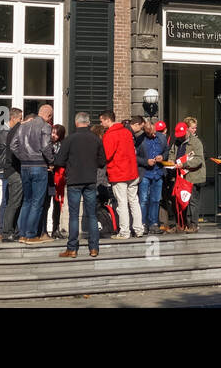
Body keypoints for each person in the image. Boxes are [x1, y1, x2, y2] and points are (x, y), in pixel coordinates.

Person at [55, 111, 107, 258]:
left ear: (76, 122)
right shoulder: (96, 139)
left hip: (74, 181)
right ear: (88, 122)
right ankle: (94, 248)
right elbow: (103, 162)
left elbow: (59, 161)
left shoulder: (70, 139)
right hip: (90, 180)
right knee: (92, 215)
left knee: (73, 215)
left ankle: (72, 248)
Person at [14, 104, 55, 243]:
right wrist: (51, 161)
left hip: (25, 166)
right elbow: (45, 146)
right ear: (49, 116)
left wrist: (23, 157)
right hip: (39, 166)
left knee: (27, 201)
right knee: (37, 203)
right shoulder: (45, 126)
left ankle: (22, 234)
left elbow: (13, 145)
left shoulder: (23, 125)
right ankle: (31, 235)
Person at [101, 110, 143, 239]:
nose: (101, 123)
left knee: (122, 203)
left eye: (102, 120)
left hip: (119, 173)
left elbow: (107, 155)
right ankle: (139, 229)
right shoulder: (127, 132)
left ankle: (124, 232)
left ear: (108, 120)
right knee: (134, 201)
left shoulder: (110, 134)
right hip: (132, 172)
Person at [0, 107, 24, 243]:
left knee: (10, 200)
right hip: (6, 170)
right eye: (20, 119)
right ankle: (3, 230)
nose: (20, 122)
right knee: (7, 200)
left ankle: (9, 228)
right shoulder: (5, 132)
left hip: (8, 169)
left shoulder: (8, 131)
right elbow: (8, 150)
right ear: (13, 119)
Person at [172, 118, 205, 232]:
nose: (180, 137)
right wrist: (171, 161)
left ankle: (194, 225)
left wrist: (184, 164)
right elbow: (172, 153)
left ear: (186, 131)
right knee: (181, 200)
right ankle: (182, 224)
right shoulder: (177, 142)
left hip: (193, 176)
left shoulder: (196, 142)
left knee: (193, 201)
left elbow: (199, 160)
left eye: (182, 135)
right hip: (181, 176)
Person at [137, 119, 167, 235]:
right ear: (146, 132)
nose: (154, 134)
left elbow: (166, 150)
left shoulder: (161, 137)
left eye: (155, 132)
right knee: (143, 200)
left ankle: (154, 223)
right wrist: (145, 161)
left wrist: (162, 157)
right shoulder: (140, 140)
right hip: (145, 173)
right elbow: (134, 157)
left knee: (155, 199)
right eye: (151, 133)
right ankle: (143, 224)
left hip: (158, 172)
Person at [47, 124, 67, 239]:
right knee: (46, 204)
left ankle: (55, 229)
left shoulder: (63, 145)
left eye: (56, 133)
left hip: (59, 176)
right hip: (49, 176)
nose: (53, 135)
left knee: (57, 204)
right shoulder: (47, 143)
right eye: (52, 132)